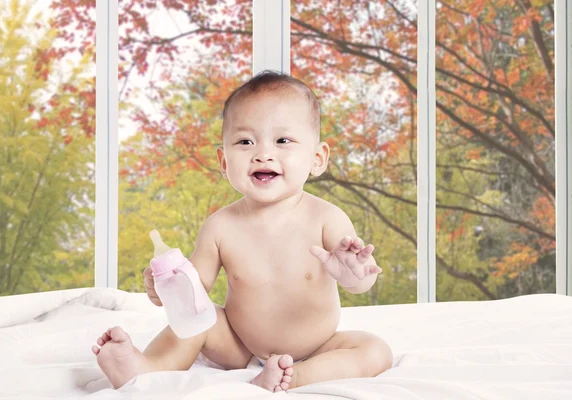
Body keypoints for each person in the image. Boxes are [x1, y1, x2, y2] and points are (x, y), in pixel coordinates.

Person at [92, 70, 393, 392]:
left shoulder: (327, 218)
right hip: (237, 345)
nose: (263, 153)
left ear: (317, 159)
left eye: (283, 141)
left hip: (317, 346)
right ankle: (145, 366)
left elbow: (360, 283)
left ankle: (294, 377)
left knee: (375, 350)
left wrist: (354, 273)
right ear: (224, 161)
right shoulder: (220, 226)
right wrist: (165, 287)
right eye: (245, 141)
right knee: (201, 319)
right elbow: (195, 291)